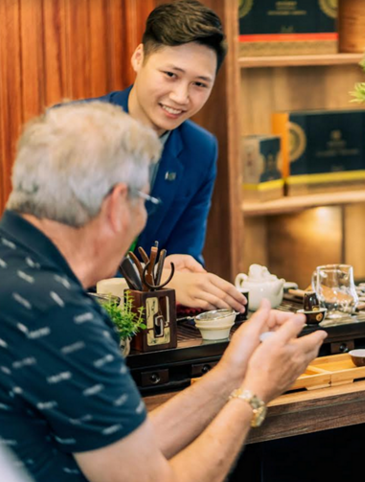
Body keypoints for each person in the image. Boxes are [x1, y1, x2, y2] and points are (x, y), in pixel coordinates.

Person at [0, 102, 327, 481]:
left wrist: (233, 374)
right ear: (115, 207)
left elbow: (127, 451)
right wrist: (255, 393)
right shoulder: (61, 316)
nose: (143, 217)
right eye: (145, 202)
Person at [89, 0, 245, 312]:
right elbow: (53, 263)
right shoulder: (71, 131)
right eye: (171, 74)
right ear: (138, 57)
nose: (181, 97)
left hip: (151, 330)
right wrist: (158, 281)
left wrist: (183, 269)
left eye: (200, 84)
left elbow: (185, 251)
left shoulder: (201, 149)